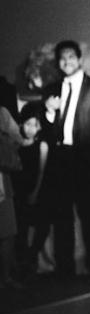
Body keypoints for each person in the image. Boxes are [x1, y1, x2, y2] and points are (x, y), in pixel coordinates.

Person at [42, 40, 90, 279]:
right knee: (62, 216)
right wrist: (49, 111)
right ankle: (65, 270)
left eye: (71, 57)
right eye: (62, 58)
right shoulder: (51, 88)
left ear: (79, 59)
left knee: (89, 216)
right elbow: (45, 130)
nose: (67, 62)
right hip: (60, 158)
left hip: (86, 157)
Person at [12, 103, 49, 274]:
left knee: (42, 225)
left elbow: (41, 171)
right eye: (27, 124)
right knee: (21, 228)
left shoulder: (41, 146)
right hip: (18, 190)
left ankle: (31, 256)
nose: (30, 128)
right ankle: (22, 260)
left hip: (36, 189)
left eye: (34, 125)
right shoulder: (17, 145)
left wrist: (35, 192)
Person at [0, 105, 22, 288]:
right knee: (7, 232)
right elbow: (18, 138)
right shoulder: (2, 114)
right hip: (1, 180)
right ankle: (4, 277)